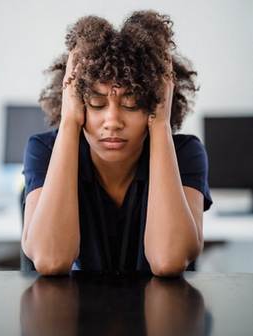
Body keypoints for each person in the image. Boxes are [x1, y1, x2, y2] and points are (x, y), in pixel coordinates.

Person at [21, 10, 213, 277]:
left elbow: (168, 260)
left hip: (160, 317)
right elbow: (51, 260)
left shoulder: (184, 154)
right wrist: (68, 123)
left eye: (131, 103)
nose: (112, 121)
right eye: (97, 103)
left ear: (154, 103)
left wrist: (160, 125)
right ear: (76, 102)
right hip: (73, 316)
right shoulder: (45, 151)